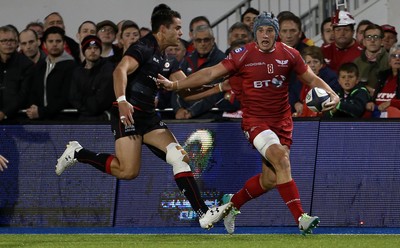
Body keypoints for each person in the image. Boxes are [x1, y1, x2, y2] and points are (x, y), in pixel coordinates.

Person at [157, 12, 340, 235]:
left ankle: (232, 203)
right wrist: (176, 87)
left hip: (282, 122)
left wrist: (333, 94)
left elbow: (311, 79)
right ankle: (301, 218)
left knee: (271, 179)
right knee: (281, 159)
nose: (265, 34)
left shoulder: (290, 55)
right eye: (261, 30)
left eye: (270, 30)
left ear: (277, 33)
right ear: (255, 33)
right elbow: (211, 74)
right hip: (255, 122)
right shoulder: (242, 55)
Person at [55, 7, 232, 229]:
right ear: (163, 28)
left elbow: (186, 92)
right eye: (176, 28)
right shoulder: (143, 47)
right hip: (128, 115)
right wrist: (121, 100)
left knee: (179, 156)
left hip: (148, 117)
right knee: (128, 171)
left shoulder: (168, 60)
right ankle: (78, 153)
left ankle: (203, 213)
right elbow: (119, 70)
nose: (180, 33)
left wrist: (220, 87)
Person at [171, 24, 232, 119]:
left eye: (206, 40)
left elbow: (215, 91)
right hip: (184, 115)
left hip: (210, 117)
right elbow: (177, 86)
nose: (202, 43)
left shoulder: (222, 60)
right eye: (198, 40)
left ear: (213, 40)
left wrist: (192, 112)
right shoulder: (188, 60)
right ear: (194, 43)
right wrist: (178, 109)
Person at [26, 26, 77, 120]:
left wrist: (42, 112)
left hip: (63, 119)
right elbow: (33, 91)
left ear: (64, 44)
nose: (54, 44)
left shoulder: (72, 66)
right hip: (40, 119)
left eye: (58, 41)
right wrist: (33, 107)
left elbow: (67, 97)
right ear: (44, 44)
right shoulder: (40, 66)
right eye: (50, 41)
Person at [69, 35, 115, 121]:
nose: (93, 51)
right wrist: (84, 109)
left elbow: (104, 97)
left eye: (96, 48)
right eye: (89, 48)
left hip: (103, 118)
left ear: (100, 50)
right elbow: (73, 97)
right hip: (83, 118)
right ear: (83, 51)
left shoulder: (108, 68)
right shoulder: (77, 72)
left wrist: (86, 105)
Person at [293, 46, 339, 117]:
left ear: (321, 64)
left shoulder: (330, 78)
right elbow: (291, 95)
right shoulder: (299, 78)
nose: (312, 65)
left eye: (315, 62)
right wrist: (295, 103)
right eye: (309, 62)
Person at [0, 25, 34, 122]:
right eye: (4, 41)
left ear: (17, 43)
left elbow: (23, 94)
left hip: (17, 119)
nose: (8, 44)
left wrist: (4, 113)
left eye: (12, 40)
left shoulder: (27, 65)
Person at [353, 24, 390, 96]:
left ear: (382, 41)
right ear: (364, 41)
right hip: (360, 101)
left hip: (382, 101)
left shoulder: (390, 60)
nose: (372, 40)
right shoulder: (356, 63)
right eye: (368, 37)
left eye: (376, 37)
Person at [365, 44, 400, 118]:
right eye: (394, 56)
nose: (397, 59)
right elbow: (374, 97)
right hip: (377, 113)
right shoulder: (382, 77)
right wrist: (370, 102)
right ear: (389, 61)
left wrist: (391, 103)